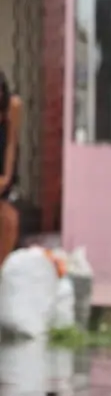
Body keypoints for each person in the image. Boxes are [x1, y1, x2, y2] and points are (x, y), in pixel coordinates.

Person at [0, 69, 21, 263]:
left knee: (8, 217)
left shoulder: (12, 105)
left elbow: (11, 144)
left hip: (4, 159)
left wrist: (6, 176)